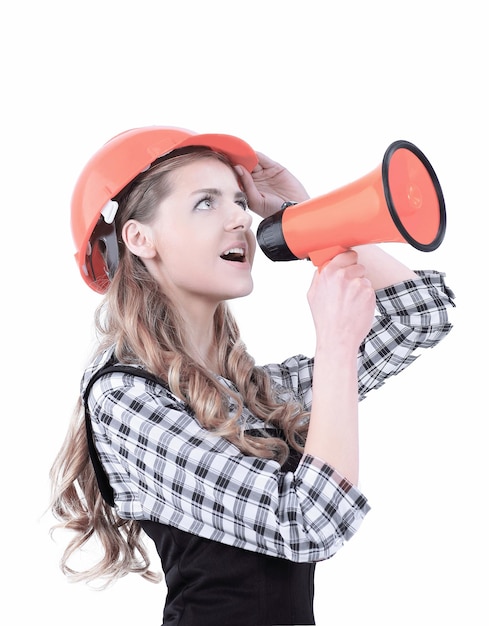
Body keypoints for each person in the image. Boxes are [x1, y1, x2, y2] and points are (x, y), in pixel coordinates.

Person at [50, 126, 455, 626]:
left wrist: (310, 216)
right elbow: (310, 522)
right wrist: (334, 345)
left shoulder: (250, 396)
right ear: (139, 237)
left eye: (240, 200)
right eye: (205, 203)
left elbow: (421, 316)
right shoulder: (123, 397)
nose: (240, 217)